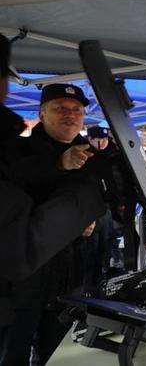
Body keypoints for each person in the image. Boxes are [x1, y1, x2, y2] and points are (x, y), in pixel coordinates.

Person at [1, 82, 105, 365]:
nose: (70, 114)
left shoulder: (93, 157)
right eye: (60, 108)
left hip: (70, 276)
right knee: (12, 353)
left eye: (77, 110)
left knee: (57, 355)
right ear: (42, 113)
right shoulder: (15, 148)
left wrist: (94, 221)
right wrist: (58, 164)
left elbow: (105, 203)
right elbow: (15, 181)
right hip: (21, 278)